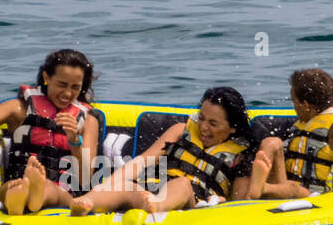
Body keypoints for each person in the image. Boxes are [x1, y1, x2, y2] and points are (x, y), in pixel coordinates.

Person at [0, 49, 100, 215]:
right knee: (11, 186)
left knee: (48, 189)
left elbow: (85, 178)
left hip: (62, 192)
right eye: (62, 84)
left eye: (75, 88)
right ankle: (24, 195)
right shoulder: (18, 109)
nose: (67, 93)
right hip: (18, 180)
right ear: (46, 77)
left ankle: (26, 198)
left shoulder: (87, 121)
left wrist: (74, 140)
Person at [71, 86, 253, 215]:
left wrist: (222, 202)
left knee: (182, 184)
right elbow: (141, 162)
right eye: (201, 118)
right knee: (126, 187)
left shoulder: (241, 155)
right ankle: (88, 204)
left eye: (213, 123)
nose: (203, 127)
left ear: (232, 128)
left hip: (193, 204)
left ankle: (157, 206)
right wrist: (106, 185)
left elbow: (236, 204)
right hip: (152, 192)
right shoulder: (180, 130)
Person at [244, 69, 333, 200]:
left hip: (315, 196)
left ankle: (262, 188)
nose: (294, 107)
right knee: (271, 142)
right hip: (286, 187)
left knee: (293, 188)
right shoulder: (303, 123)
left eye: (294, 102)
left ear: (305, 105)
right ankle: (252, 192)